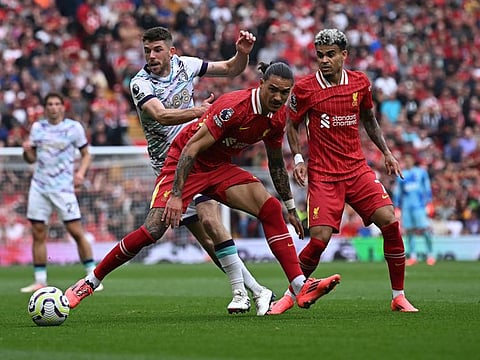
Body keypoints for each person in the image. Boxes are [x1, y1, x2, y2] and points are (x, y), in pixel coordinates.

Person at [65, 61, 341, 315]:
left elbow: (276, 163)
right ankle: (89, 282)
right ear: (261, 84)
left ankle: (299, 285)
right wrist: (176, 194)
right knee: (153, 230)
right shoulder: (233, 106)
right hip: (185, 163)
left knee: (270, 208)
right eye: (274, 90)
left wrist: (290, 207)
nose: (279, 98)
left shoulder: (278, 116)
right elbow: (191, 148)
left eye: (284, 92)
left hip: (218, 167)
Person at [269, 29, 418, 314]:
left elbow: (369, 119)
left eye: (330, 55)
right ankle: (290, 295)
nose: (324, 60)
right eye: (320, 55)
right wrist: (298, 159)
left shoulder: (360, 83)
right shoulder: (305, 88)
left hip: (356, 170)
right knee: (320, 239)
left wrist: (386, 152)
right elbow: (291, 125)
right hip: (323, 175)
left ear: (343, 55)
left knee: (390, 221)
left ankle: (398, 296)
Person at [20, 92, 103, 293]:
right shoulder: (38, 128)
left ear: (62, 107)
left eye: (57, 103)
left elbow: (86, 154)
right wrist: (26, 151)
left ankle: (92, 277)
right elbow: (30, 159)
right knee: (38, 232)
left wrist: (81, 173)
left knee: (76, 231)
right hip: (39, 186)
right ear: (45, 107)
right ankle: (40, 280)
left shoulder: (73, 128)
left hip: (64, 187)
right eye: (49, 104)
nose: (53, 107)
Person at [393, 153, 435, 266]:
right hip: (407, 207)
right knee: (410, 231)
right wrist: (396, 206)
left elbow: (427, 187)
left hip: (419, 206)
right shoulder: (401, 174)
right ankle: (413, 256)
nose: (407, 162)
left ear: (412, 161)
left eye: (409, 160)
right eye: (405, 160)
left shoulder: (421, 172)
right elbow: (398, 192)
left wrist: (429, 202)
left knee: (425, 229)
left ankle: (430, 255)